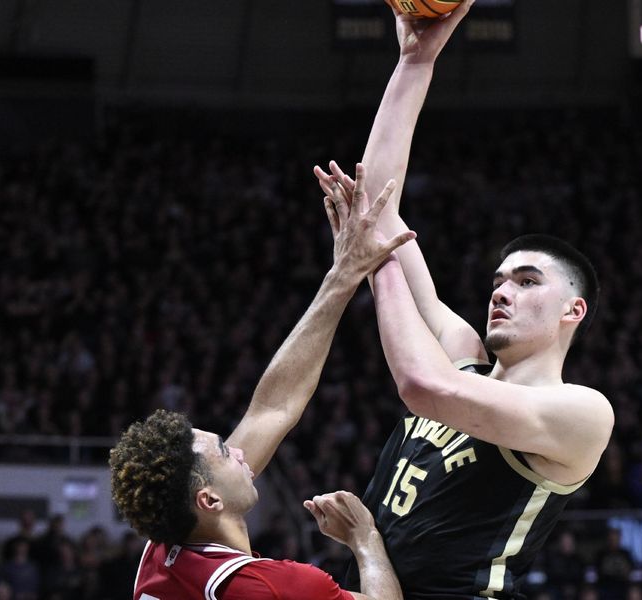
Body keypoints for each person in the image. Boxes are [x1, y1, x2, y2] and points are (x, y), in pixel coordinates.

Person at [315, 3, 614, 598]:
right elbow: (378, 205)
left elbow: (424, 387)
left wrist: (369, 257)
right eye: (499, 280)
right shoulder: (463, 354)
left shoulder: (581, 412)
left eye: (528, 282)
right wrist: (415, 62)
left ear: (572, 312)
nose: (502, 290)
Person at [110, 176, 414, 600]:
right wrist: (366, 541)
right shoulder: (267, 588)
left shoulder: (162, 550)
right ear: (210, 500)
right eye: (223, 452)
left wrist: (343, 275)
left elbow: (272, 408)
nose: (238, 450)